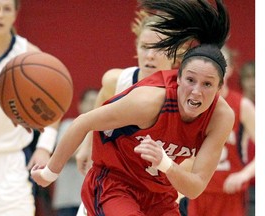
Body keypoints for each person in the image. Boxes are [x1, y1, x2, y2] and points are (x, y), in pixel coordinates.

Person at [31, 0, 234, 215]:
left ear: (220, 86)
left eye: (207, 84)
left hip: (159, 192)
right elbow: (88, 118)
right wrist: (72, 157)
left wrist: (165, 163)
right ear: (179, 77)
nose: (196, 91)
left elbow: (194, 184)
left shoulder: (219, 116)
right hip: (117, 182)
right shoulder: (142, 96)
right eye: (146, 47)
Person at [75, 10, 183, 216]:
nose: (149, 55)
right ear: (136, 49)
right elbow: (96, 113)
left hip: (158, 193)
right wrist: (86, 146)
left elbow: (190, 161)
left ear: (174, 53)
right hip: (114, 188)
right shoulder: (117, 81)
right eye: (144, 47)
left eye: (158, 48)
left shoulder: (183, 96)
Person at [0, 0, 59, 215]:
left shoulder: (29, 54)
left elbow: (54, 104)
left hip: (9, 162)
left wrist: (44, 148)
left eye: (7, 9)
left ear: (16, 14)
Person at [187, 46, 255, 216]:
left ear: (230, 69)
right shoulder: (193, 102)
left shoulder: (242, 105)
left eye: (222, 64)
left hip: (229, 192)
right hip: (197, 190)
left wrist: (243, 175)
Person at [52, 88, 99, 216]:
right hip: (68, 199)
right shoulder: (68, 125)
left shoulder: (103, 129)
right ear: (80, 104)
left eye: (96, 102)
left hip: (95, 199)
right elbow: (67, 152)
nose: (92, 106)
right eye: (89, 102)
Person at [240, 61, 255, 216]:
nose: (253, 83)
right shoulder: (235, 107)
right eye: (249, 78)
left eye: (256, 78)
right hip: (240, 181)